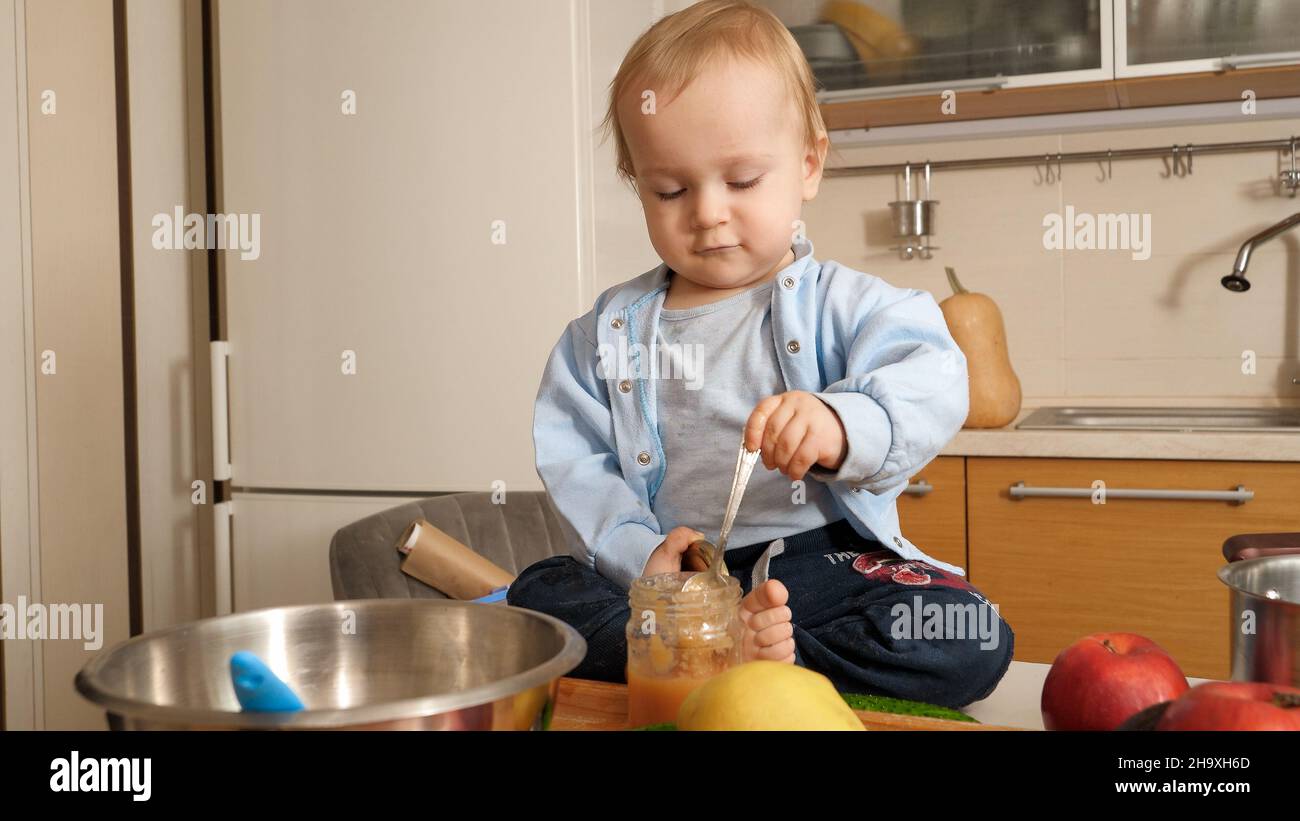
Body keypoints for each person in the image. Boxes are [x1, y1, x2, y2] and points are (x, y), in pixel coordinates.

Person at [508, 0, 1013, 708]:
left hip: (819, 567)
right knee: (538, 593)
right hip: (676, 583)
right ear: (637, 183)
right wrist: (638, 558)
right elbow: (576, 457)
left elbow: (935, 373)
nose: (708, 211)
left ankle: (774, 652)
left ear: (808, 164)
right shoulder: (604, 335)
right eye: (671, 189)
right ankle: (698, 647)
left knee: (970, 629)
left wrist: (844, 423)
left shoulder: (846, 302)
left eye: (741, 181)